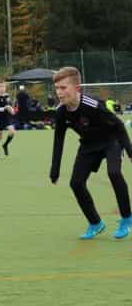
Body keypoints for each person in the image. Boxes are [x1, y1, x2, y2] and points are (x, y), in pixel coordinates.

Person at [50, 66, 132, 240]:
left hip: (111, 140)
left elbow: (117, 124)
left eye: (63, 88)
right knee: (76, 183)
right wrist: (54, 169)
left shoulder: (92, 104)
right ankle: (95, 223)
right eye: (57, 88)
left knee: (114, 172)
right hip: (88, 146)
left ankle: (127, 218)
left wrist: (130, 150)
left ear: (77, 88)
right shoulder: (61, 112)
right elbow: (58, 140)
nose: (59, 92)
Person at [0, 81, 16, 160]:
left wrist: (12, 110)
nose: (2, 88)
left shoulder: (7, 96)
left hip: (7, 118)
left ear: (5, 88)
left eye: (3, 87)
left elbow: (10, 106)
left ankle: (5, 145)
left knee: (12, 131)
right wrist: (3, 108)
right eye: (0, 87)